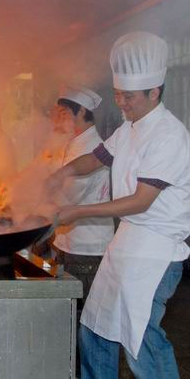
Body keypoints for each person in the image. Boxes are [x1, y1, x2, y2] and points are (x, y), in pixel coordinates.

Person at [49, 32, 190, 378]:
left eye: (128, 97)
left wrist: (77, 212)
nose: (121, 103)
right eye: (117, 95)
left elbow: (141, 201)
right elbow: (96, 159)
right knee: (95, 329)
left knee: (140, 338)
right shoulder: (130, 128)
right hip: (126, 243)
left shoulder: (169, 135)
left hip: (156, 250)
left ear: (153, 92)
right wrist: (62, 171)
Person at [51, 86, 114, 304]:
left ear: (81, 112)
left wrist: (33, 200)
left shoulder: (92, 146)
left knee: (81, 313)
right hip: (69, 242)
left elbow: (70, 195)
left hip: (87, 248)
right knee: (68, 312)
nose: (59, 119)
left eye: (64, 113)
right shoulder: (73, 143)